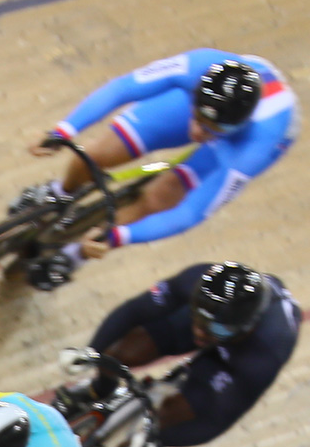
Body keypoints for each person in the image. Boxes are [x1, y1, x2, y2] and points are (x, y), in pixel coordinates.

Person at [16, 51, 297, 289]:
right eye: (198, 119)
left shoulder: (256, 146)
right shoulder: (199, 65)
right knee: (94, 155)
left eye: (211, 129)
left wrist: (118, 237)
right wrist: (64, 131)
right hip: (209, 111)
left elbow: (189, 213)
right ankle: (58, 193)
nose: (197, 132)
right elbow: (122, 88)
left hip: (240, 142)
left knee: (160, 197)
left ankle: (74, 255)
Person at [50, 262, 299, 447]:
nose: (199, 332)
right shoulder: (197, 282)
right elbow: (135, 310)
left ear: (247, 326)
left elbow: (216, 421)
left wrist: (159, 438)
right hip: (222, 323)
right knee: (121, 352)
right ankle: (97, 390)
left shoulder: (266, 352)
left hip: (235, 358)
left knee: (168, 419)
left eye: (213, 329)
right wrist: (92, 352)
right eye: (198, 320)